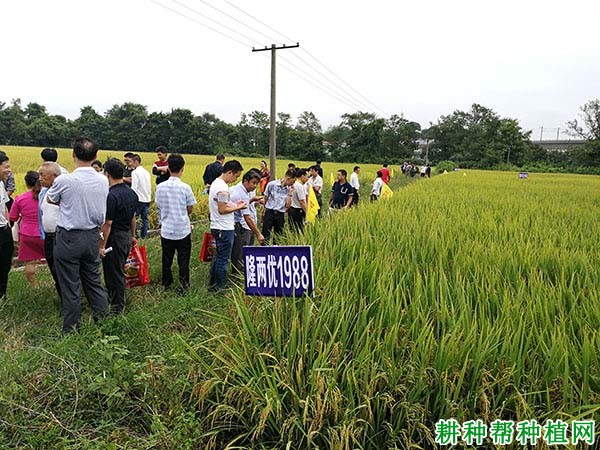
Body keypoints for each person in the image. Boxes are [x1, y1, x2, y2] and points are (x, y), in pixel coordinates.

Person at [46, 137, 109, 334]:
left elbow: (51, 199)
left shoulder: (65, 180)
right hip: (92, 236)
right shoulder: (102, 180)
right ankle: (104, 323)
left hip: (69, 238)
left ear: (73, 155)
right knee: (93, 280)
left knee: (70, 285)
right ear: (95, 156)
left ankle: (72, 329)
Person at [99, 158, 138, 314]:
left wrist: (101, 246)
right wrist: (133, 236)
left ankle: (117, 307)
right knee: (118, 269)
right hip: (126, 236)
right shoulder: (131, 193)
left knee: (114, 273)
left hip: (114, 238)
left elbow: (108, 223)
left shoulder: (111, 196)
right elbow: (133, 217)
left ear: (107, 174)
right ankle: (117, 300)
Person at [155, 154, 196, 294]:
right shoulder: (185, 188)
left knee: (166, 258)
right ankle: (184, 285)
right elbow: (190, 207)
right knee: (183, 259)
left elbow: (158, 206)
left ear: (168, 168)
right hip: (182, 229)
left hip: (166, 229)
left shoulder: (160, 187)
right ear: (182, 168)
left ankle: (167, 283)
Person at [208, 160, 246, 292]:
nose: (235, 179)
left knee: (218, 256)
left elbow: (222, 205)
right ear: (230, 172)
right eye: (236, 176)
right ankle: (220, 287)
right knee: (223, 259)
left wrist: (235, 204)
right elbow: (222, 209)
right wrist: (239, 207)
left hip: (217, 226)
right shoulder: (222, 188)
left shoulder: (216, 183)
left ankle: (213, 284)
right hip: (223, 227)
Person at [9, 171, 44, 286]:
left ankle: (34, 286)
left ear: (26, 183)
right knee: (53, 260)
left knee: (29, 262)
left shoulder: (20, 198)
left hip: (26, 234)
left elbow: (12, 217)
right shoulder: (46, 196)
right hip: (44, 233)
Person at [230, 169, 265, 274]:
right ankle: (237, 276)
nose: (255, 186)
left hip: (242, 225)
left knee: (243, 252)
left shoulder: (239, 190)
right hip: (241, 226)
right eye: (253, 183)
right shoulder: (242, 193)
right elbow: (247, 216)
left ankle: (242, 274)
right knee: (240, 253)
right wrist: (258, 234)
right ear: (245, 181)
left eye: (257, 184)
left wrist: (253, 200)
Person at [38, 162, 62, 300]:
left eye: (43, 175)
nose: (39, 178)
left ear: (54, 176)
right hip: (48, 236)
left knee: (60, 269)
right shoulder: (44, 191)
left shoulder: (62, 191)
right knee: (53, 267)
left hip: (60, 236)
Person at [262, 169, 296, 243]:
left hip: (280, 214)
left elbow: (288, 206)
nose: (292, 184)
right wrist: (263, 212)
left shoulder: (289, 189)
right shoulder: (272, 184)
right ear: (288, 178)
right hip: (269, 212)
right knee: (265, 235)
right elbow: (265, 199)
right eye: (292, 181)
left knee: (278, 237)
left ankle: (276, 252)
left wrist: (290, 194)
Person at [0, 151, 14, 300]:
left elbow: (4, 205)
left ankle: (2, 294)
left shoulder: (1, 184)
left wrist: (8, 223)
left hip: (4, 230)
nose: (9, 170)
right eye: (6, 167)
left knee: (5, 263)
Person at [130, 154, 151, 238]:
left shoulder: (135, 172)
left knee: (135, 218)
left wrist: (131, 199)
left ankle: (136, 236)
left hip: (139, 199)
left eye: (132, 162)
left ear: (136, 161)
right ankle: (144, 236)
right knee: (145, 219)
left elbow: (134, 187)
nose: (131, 164)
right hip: (147, 198)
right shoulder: (146, 172)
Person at [288, 168, 308, 232]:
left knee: (292, 229)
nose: (307, 179)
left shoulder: (293, 184)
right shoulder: (299, 186)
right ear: (302, 176)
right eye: (307, 176)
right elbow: (302, 202)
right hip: (297, 212)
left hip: (291, 210)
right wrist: (308, 213)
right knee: (298, 231)